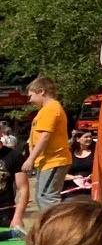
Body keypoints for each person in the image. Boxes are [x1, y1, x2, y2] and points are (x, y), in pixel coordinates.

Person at [22, 77, 69, 225]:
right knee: (43, 196)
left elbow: (44, 137)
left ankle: (59, 231)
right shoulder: (45, 110)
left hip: (53, 161)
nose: (29, 100)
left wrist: (30, 159)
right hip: (46, 162)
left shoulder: (51, 109)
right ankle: (53, 229)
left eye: (31, 96)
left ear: (41, 91)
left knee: (47, 197)